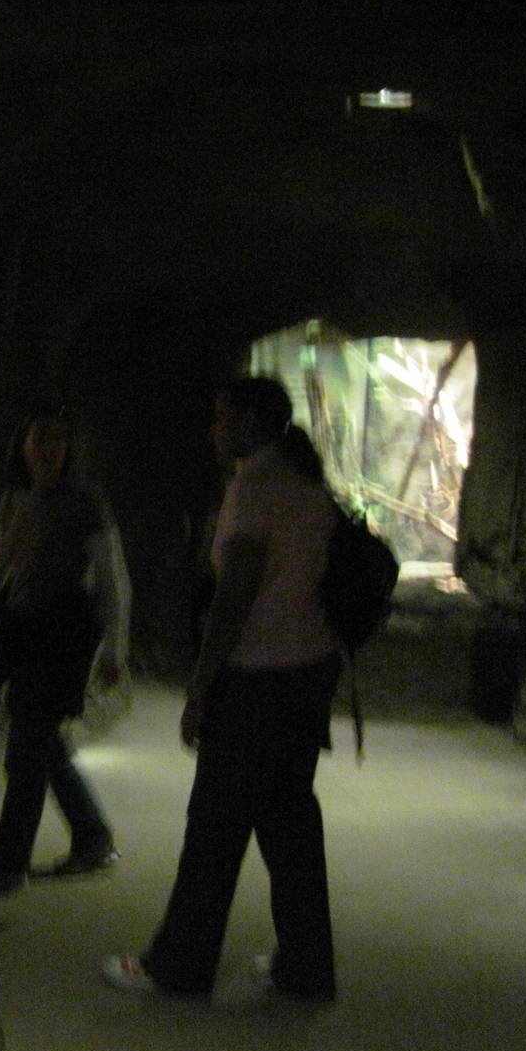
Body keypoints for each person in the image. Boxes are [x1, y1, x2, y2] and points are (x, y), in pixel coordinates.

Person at [104, 375, 343, 1001]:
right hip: (307, 673)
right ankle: (307, 967)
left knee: (214, 826)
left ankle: (179, 965)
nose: (213, 430)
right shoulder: (307, 485)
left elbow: (233, 599)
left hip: (255, 679)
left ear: (249, 424)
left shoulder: (253, 489)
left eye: (221, 417)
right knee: (290, 825)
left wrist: (200, 688)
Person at [0, 403, 131, 895]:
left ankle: (8, 864)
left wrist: (114, 646)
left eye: (58, 439)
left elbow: (111, 576)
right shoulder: (15, 499)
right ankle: (92, 837)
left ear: (69, 447)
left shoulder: (86, 500)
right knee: (43, 742)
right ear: (22, 445)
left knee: (25, 749)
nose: (48, 449)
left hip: (64, 632)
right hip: (22, 630)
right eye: (39, 438)